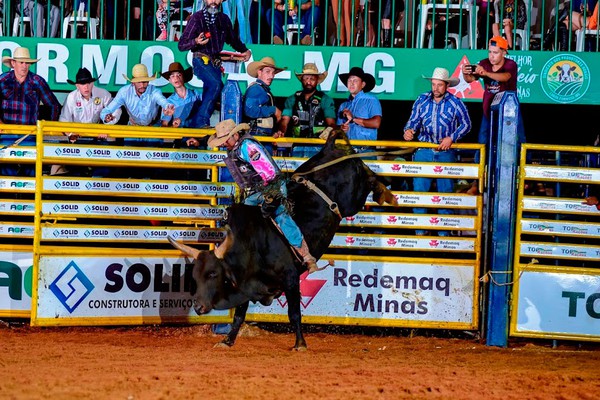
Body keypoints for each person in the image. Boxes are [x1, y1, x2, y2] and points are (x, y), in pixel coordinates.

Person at [207, 119, 318, 272]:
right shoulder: (236, 147)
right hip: (257, 191)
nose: (223, 144)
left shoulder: (247, 147)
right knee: (236, 216)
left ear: (234, 135)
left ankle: (306, 256)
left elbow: (269, 173)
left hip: (271, 187)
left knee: (280, 214)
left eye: (225, 140)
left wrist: (273, 196)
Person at [403, 67, 471, 236]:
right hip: (424, 149)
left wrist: (452, 137)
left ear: (446, 85)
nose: (436, 88)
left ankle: (443, 236)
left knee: (445, 193)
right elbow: (413, 121)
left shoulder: (456, 102)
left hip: (445, 152)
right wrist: (408, 131)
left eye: (439, 85)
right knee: (419, 192)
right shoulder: (422, 100)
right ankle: (420, 233)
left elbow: (467, 124)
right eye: (434, 84)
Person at [178, 0, 252, 128]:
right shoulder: (196, 18)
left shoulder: (224, 19)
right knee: (216, 85)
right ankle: (201, 122)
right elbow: (181, 45)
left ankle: (191, 124)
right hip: (200, 59)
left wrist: (244, 50)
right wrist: (195, 41)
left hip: (216, 63)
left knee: (211, 91)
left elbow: (233, 39)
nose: (214, 2)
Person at [461, 35, 525, 164]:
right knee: (483, 141)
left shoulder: (510, 64)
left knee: (518, 140)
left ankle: (524, 175)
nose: (492, 56)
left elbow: (506, 77)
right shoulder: (484, 63)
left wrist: (486, 73)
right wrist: (465, 73)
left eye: (495, 52)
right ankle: (478, 178)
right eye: (490, 52)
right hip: (488, 110)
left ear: (503, 52)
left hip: (509, 111)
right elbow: (471, 80)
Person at [0, 46, 61, 176]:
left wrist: (47, 125)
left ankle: (27, 195)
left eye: (27, 63)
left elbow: (54, 106)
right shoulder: (2, 80)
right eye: (21, 62)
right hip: (6, 134)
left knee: (32, 170)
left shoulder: (37, 82)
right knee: (5, 170)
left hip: (30, 134)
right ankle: (10, 194)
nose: (24, 66)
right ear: (13, 63)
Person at [55, 67, 121, 176]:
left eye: (88, 83)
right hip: (77, 139)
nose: (86, 87)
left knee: (106, 163)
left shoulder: (103, 94)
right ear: (77, 86)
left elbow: (116, 110)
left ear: (92, 83)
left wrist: (107, 124)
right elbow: (63, 120)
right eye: (82, 84)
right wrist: (70, 134)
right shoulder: (72, 97)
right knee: (71, 167)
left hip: (98, 138)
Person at [277, 63, 336, 158]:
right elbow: (284, 121)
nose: (309, 82)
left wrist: (330, 129)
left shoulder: (325, 99)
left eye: (312, 79)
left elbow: (331, 123)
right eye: (306, 79)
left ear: (317, 81)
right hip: (297, 145)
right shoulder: (292, 99)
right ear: (302, 80)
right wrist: (281, 131)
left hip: (319, 146)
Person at [100, 63, 174, 128]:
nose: (142, 85)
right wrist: (106, 117)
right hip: (132, 128)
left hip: (152, 128)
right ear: (133, 83)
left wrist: (168, 106)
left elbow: (162, 100)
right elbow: (107, 110)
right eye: (138, 82)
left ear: (148, 82)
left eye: (144, 82)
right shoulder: (124, 92)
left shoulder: (154, 91)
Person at [243, 56, 286, 153]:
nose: (271, 76)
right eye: (267, 72)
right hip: (258, 134)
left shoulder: (261, 89)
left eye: (273, 73)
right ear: (259, 72)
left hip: (262, 134)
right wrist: (273, 110)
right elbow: (250, 110)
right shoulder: (256, 89)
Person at [336, 66, 382, 147]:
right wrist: (342, 128)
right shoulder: (343, 105)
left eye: (355, 80)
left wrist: (353, 119)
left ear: (363, 84)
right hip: (347, 151)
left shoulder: (371, 100)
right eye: (349, 80)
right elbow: (338, 128)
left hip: (366, 151)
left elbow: (376, 123)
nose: (352, 83)